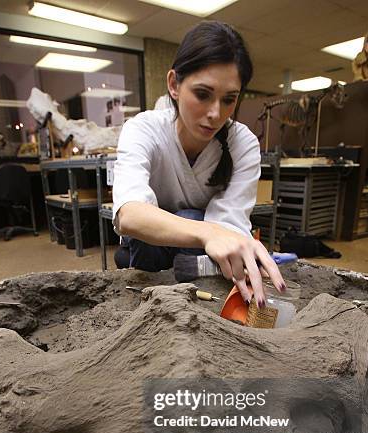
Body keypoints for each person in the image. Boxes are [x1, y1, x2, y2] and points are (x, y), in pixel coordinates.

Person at [112, 20, 286, 307]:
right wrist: (208, 231)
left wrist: (231, 243)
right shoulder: (144, 128)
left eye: (229, 99)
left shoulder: (242, 143)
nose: (215, 114)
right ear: (174, 85)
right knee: (188, 219)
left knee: (208, 232)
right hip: (150, 250)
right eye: (202, 95)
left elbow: (231, 226)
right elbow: (130, 214)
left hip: (198, 257)